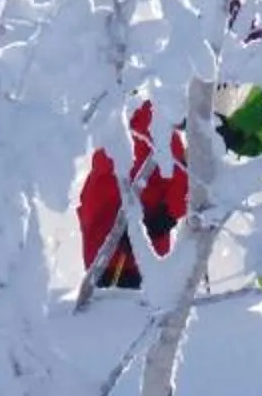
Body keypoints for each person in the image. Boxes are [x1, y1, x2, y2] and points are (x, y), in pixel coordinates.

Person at [78, 98, 188, 287]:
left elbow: (183, 190)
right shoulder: (114, 122)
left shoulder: (153, 127)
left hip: (131, 256)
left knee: (115, 309)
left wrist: (154, 225)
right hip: (107, 249)